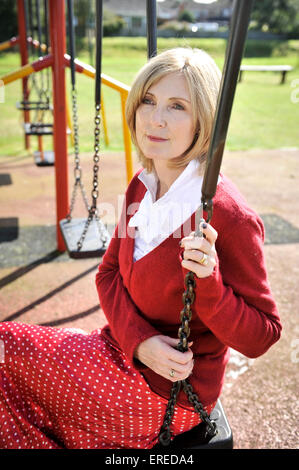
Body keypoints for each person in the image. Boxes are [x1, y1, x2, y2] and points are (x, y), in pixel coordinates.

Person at [0, 47, 281, 450]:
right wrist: (140, 342)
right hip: (120, 350)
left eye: (177, 106)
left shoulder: (228, 215)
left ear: (205, 118)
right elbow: (108, 273)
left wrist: (211, 285)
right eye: (148, 100)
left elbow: (263, 335)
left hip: (167, 396)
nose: (155, 118)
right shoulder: (142, 185)